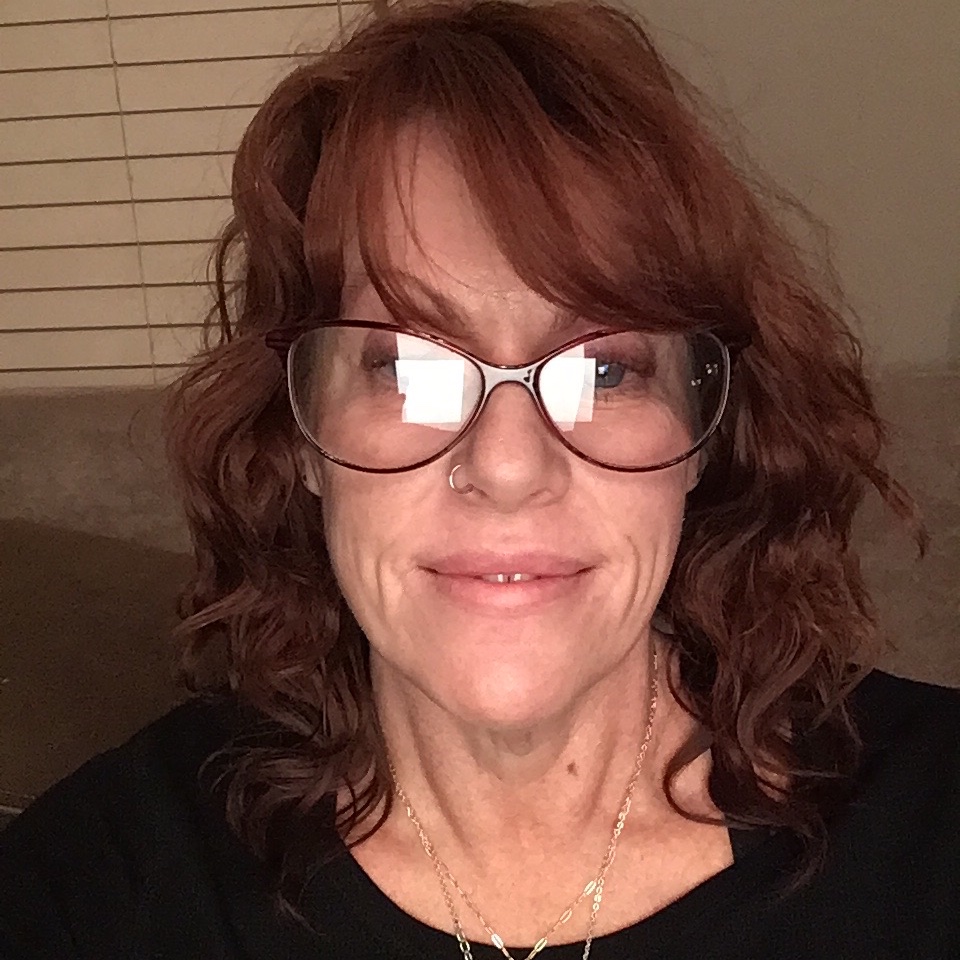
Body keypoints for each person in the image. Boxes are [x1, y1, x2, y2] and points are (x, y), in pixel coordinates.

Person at [2, 1, 958, 958]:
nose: (505, 466)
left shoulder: (932, 830)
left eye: (603, 369)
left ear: (703, 434)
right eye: (407, 367)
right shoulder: (96, 891)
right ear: (300, 434)